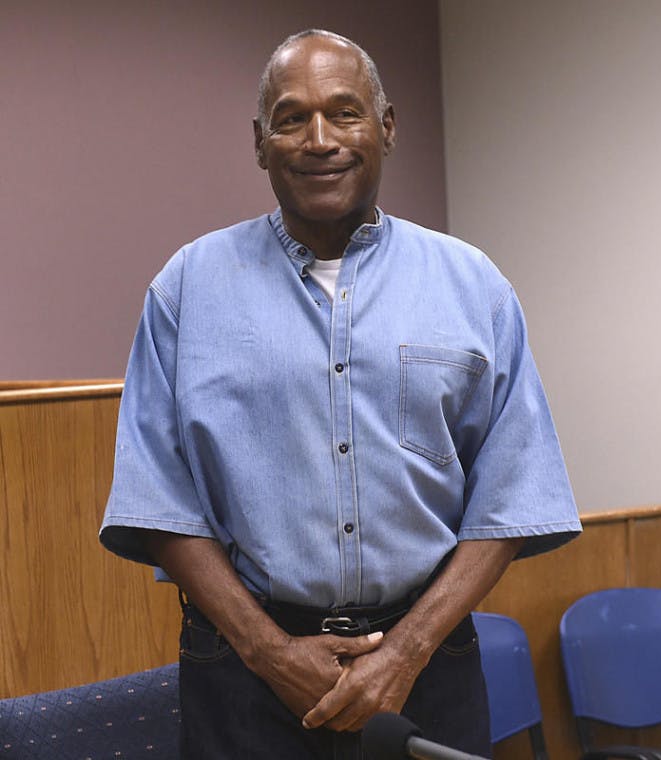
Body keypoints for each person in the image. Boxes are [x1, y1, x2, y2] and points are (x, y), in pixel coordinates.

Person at [100, 29, 580, 759]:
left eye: (345, 112)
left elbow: (513, 495)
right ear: (260, 143)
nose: (319, 139)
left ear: (386, 128)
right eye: (292, 118)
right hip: (243, 675)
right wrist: (269, 653)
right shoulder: (186, 290)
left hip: (429, 668)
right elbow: (160, 502)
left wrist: (407, 651)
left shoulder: (472, 284)